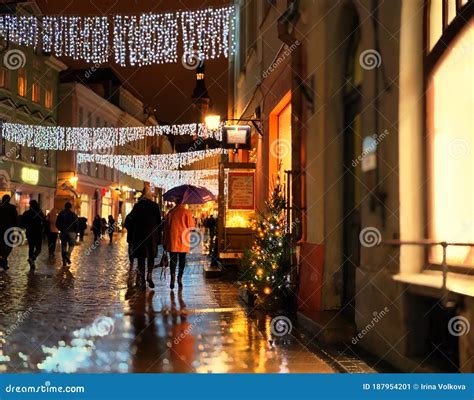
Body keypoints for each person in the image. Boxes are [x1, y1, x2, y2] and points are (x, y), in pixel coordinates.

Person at [127, 185, 162, 290]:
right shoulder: (155, 206)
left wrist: (132, 234)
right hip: (152, 237)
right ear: (150, 195)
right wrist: (159, 238)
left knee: (141, 259)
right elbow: (159, 223)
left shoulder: (137, 206)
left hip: (139, 237)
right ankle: (149, 275)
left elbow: (130, 220)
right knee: (151, 257)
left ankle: (142, 280)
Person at [163, 197, 195, 290]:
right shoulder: (186, 212)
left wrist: (164, 241)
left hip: (172, 239)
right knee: (182, 260)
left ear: (175, 202)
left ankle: (172, 277)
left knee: (173, 259)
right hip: (183, 240)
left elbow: (166, 227)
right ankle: (179, 278)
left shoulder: (171, 212)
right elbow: (192, 227)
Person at [21, 200, 45, 269]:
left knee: (31, 247)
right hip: (37, 232)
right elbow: (44, 221)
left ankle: (31, 262)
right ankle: (32, 259)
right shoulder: (39, 212)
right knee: (38, 248)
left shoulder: (26, 213)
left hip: (29, 232)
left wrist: (27, 227)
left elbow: (23, 222)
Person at [55, 202, 78, 267]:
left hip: (64, 232)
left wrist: (61, 229)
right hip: (72, 232)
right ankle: (68, 255)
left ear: (65, 207)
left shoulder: (61, 214)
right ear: (70, 207)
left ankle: (64, 260)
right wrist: (76, 231)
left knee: (64, 245)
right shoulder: (73, 214)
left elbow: (57, 223)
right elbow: (76, 223)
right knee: (72, 245)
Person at [0, 194, 18, 270]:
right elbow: (15, 219)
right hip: (9, 229)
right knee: (9, 245)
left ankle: (3, 260)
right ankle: (4, 259)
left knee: (1, 246)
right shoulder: (12, 208)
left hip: (0, 229)